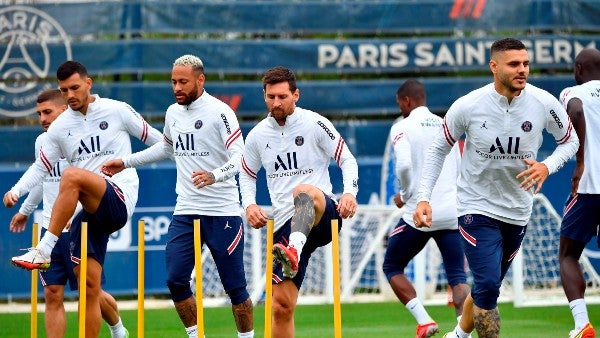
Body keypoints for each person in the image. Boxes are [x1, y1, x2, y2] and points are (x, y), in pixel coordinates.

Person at [413, 38, 579, 338]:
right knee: (489, 285)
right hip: (476, 207)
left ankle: (458, 335)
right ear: (494, 66)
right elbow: (439, 149)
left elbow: (570, 141)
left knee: (487, 287)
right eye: (514, 64)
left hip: (518, 211)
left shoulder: (543, 102)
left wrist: (547, 166)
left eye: (526, 63)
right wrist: (423, 197)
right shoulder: (468, 105)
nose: (523, 70)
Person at [4, 60, 163, 337]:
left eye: (75, 88)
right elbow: (41, 168)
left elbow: (165, 145)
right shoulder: (59, 128)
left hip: (118, 196)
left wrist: (125, 161)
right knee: (89, 289)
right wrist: (17, 192)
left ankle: (43, 248)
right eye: (64, 90)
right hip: (86, 215)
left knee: (71, 176)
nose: (71, 95)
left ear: (89, 84)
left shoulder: (116, 110)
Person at [101, 54, 254, 338]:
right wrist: (125, 161)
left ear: (200, 80)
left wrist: (215, 175)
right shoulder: (172, 112)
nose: (177, 87)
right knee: (175, 280)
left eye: (183, 81)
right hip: (185, 210)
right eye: (173, 82)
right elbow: (166, 148)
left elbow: (240, 156)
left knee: (235, 288)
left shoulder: (220, 112)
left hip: (223, 211)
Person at [238, 66, 358, 337]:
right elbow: (246, 175)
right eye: (270, 97)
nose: (276, 103)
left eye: (282, 96)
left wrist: (349, 192)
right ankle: (292, 249)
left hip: (322, 213)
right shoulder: (257, 135)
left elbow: (346, 159)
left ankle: (293, 249)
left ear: (296, 95)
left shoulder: (315, 123)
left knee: (303, 191)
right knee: (280, 307)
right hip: (284, 222)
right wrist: (250, 205)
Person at [9, 89, 129, 338]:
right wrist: (24, 210)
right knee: (52, 293)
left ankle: (117, 327)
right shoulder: (42, 142)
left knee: (89, 289)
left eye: (47, 112)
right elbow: (42, 179)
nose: (42, 118)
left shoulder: (81, 138)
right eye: (39, 113)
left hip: (78, 227)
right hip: (49, 229)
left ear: (63, 110)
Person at [382, 79, 470, 338]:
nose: (400, 108)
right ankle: (462, 334)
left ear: (406, 101)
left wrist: (406, 195)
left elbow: (405, 166)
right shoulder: (446, 125)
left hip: (419, 213)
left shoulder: (402, 126)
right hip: (451, 212)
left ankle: (424, 321)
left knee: (392, 266)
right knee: (458, 277)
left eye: (400, 104)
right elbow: (462, 167)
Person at [558, 47, 600, 338]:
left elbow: (574, 110)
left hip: (589, 188)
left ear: (578, 68)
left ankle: (582, 324)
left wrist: (581, 160)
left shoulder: (573, 92)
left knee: (568, 255)